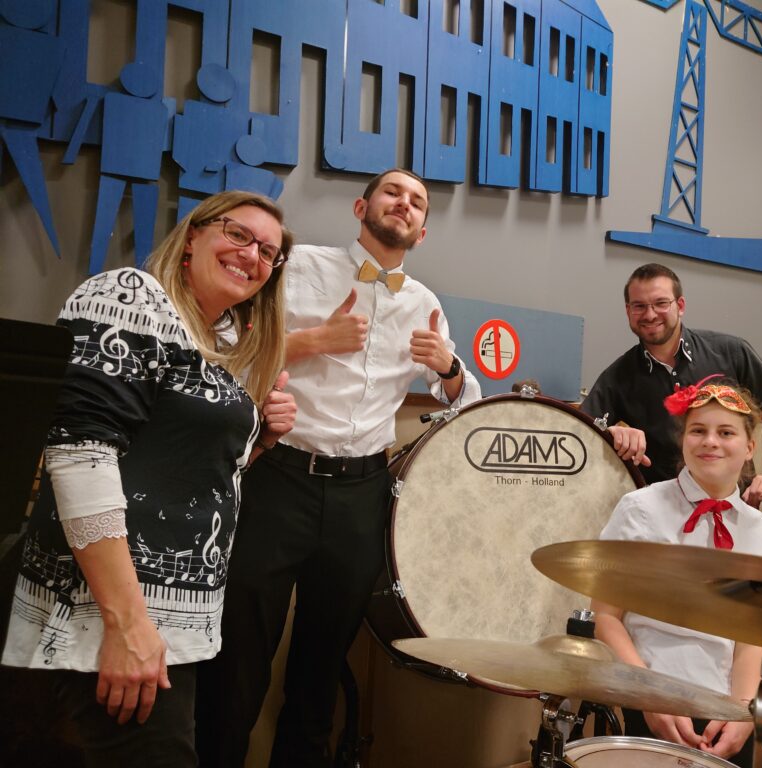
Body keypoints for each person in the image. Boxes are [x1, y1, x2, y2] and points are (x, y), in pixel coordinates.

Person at [1, 190, 297, 766]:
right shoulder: (129, 296)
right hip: (104, 616)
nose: (252, 254)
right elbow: (79, 451)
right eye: (238, 234)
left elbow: (195, 478)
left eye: (268, 251)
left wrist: (259, 441)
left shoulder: (222, 343)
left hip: (170, 627)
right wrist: (127, 622)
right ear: (192, 237)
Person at [198, 168, 482, 767]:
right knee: (240, 657)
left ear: (423, 232)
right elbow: (224, 350)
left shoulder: (425, 304)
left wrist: (450, 368)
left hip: (362, 494)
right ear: (361, 206)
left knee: (323, 667)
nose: (403, 204)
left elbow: (465, 403)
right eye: (392, 193)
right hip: (279, 477)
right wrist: (310, 341)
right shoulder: (295, 267)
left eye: (416, 202)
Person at [592, 377, 762, 765]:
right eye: (698, 430)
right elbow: (605, 617)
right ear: (683, 441)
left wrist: (745, 709)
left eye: (725, 432)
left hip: (723, 697)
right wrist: (648, 694)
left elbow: (749, 639)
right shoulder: (640, 508)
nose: (710, 441)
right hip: (652, 688)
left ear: (749, 447)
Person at [581, 263, 762, 506]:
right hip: (662, 516)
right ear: (628, 310)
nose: (650, 315)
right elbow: (578, 434)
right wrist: (610, 435)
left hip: (738, 508)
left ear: (680, 306)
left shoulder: (731, 352)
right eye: (639, 306)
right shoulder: (617, 376)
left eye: (661, 303)